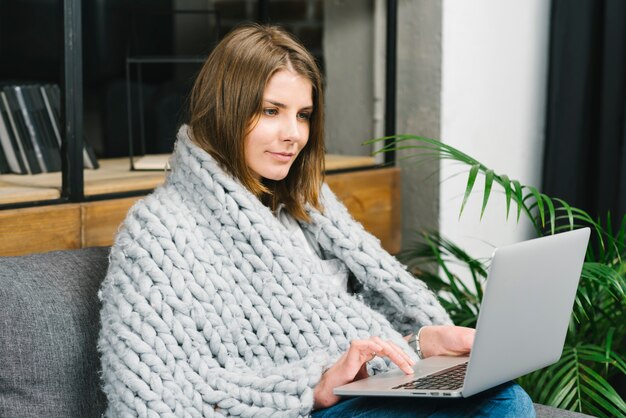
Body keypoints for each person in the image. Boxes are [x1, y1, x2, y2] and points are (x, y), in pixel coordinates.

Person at [98, 24, 535, 417]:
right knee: (503, 404)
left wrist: (423, 344)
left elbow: (361, 341)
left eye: (303, 115)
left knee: (502, 395)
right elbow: (152, 399)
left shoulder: (310, 207)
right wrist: (314, 387)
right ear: (224, 109)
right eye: (272, 111)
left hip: (366, 394)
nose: (293, 134)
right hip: (302, 410)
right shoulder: (159, 233)